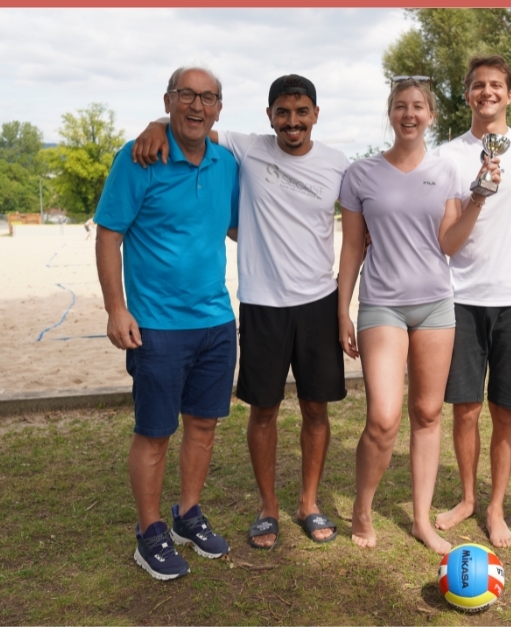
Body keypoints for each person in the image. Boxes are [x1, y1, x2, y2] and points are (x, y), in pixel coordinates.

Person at [131, 74, 350, 550]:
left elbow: (360, 227)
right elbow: (192, 123)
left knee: (316, 409)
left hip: (317, 303)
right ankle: (268, 508)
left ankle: (309, 503)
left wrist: (345, 306)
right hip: (261, 304)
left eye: (301, 112)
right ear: (269, 116)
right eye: (283, 113)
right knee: (264, 411)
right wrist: (154, 123)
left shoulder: (338, 164)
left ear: (316, 114)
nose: (292, 122)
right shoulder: (246, 148)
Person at [337, 76, 497, 553]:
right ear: (391, 114)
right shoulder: (360, 174)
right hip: (382, 305)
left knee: (427, 413)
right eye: (401, 106)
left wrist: (478, 199)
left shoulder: (446, 171)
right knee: (384, 419)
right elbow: (350, 249)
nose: (410, 114)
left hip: (435, 307)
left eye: (418, 107)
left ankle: (423, 520)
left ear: (431, 115)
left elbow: (449, 243)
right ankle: (362, 508)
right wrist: (341, 312)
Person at [93, 67, 239, 580]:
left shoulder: (226, 163)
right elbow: (108, 233)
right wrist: (116, 307)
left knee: (203, 425)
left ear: (219, 107)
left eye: (207, 98)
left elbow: (242, 228)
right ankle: (149, 531)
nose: (196, 106)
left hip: (218, 320)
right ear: (168, 100)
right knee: (155, 431)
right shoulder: (140, 158)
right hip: (155, 325)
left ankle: (187, 515)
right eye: (185, 96)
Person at [434, 55, 511, 547]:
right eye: (479, 85)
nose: (488, 92)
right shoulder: (445, 156)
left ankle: (497, 507)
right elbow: (447, 241)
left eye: (496, 85)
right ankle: (467, 499)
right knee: (464, 409)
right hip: (460, 298)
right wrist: (479, 197)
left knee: (506, 409)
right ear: (467, 95)